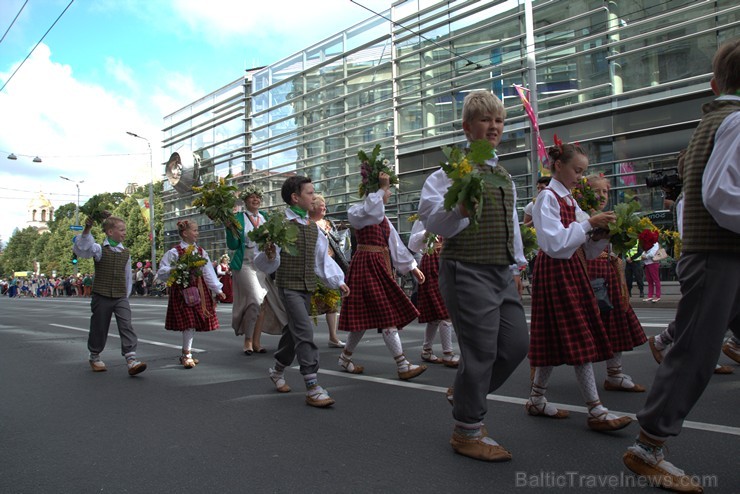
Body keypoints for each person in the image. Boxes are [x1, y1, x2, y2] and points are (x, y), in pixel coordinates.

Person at [622, 38, 740, 493]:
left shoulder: (714, 122)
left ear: (715, 83)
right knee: (694, 353)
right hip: (720, 256)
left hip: (720, 255)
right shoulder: (735, 122)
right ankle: (648, 446)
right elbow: (721, 196)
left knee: (698, 346)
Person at [418, 89, 529, 462]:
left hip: (500, 270)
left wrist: (517, 265)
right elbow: (431, 217)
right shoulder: (449, 172)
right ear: (468, 128)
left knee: (515, 346)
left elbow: (510, 222)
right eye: (486, 119)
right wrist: (461, 209)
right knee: (480, 353)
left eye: (498, 120)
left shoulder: (502, 174)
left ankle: (466, 392)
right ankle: (467, 430)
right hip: (465, 267)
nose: (494, 126)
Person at [528, 138, 632, 432]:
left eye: (582, 171)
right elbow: (554, 243)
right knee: (578, 334)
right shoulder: (547, 198)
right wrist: (588, 225)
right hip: (557, 272)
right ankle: (596, 410)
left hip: (572, 269)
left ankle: (537, 398)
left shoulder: (570, 200)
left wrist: (602, 233)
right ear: (557, 166)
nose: (580, 177)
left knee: (555, 336)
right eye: (576, 170)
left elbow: (582, 247)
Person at [253, 176, 349, 408]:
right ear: (295, 198)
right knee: (305, 332)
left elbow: (321, 261)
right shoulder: (280, 225)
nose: (314, 197)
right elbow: (264, 263)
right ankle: (312, 385)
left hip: (307, 287)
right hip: (288, 286)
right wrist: (269, 254)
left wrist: (337, 281)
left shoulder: (313, 228)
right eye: (310, 193)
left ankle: (277, 370)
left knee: (294, 332)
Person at [337, 171, 427, 382]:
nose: (388, 194)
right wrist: (379, 188)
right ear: (374, 192)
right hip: (366, 265)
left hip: (378, 266)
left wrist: (412, 266)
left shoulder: (383, 218)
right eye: (387, 191)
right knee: (387, 315)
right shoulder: (358, 211)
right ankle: (402, 364)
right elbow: (372, 211)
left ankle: (345, 357)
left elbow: (394, 244)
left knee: (364, 317)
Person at [584, 174, 647, 392]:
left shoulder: (610, 216)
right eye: (596, 191)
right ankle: (540, 381)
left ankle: (615, 374)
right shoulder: (582, 215)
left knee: (616, 321)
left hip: (608, 272)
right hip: (587, 272)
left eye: (605, 192)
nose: (601, 196)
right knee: (583, 325)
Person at [73, 215, 147, 376]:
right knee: (99, 327)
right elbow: (82, 249)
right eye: (121, 230)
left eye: (124, 230)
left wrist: (126, 295)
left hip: (120, 296)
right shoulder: (99, 249)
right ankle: (94, 355)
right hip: (102, 294)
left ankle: (131, 359)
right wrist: (87, 228)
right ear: (110, 232)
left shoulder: (125, 252)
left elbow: (128, 276)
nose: (124, 233)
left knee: (126, 324)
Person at [226, 184, 286, 354]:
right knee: (255, 298)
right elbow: (233, 244)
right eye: (252, 197)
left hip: (263, 264)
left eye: (258, 197)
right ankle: (248, 340)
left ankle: (256, 342)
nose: (256, 199)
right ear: (245, 200)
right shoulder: (238, 218)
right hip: (245, 263)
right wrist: (230, 229)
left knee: (262, 304)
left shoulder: (266, 217)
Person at [157, 220, 225, 368]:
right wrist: (175, 269)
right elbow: (162, 272)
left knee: (193, 323)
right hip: (182, 292)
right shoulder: (174, 252)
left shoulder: (200, 251)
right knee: (189, 323)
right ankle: (187, 354)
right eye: (194, 230)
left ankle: (186, 353)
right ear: (185, 233)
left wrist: (218, 290)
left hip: (199, 290)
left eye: (197, 230)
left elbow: (208, 272)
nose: (197, 233)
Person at [408, 219, 459, 367]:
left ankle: (427, 350)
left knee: (436, 316)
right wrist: (427, 233)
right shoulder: (424, 217)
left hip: (447, 260)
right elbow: (413, 243)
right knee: (445, 311)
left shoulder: (452, 214)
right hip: (433, 262)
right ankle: (448, 353)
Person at [308, 193, 348, 348]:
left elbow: (337, 242)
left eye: (325, 205)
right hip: (313, 268)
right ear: (312, 207)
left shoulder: (328, 223)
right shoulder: (307, 224)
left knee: (332, 303)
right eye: (321, 205)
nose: (324, 208)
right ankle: (307, 339)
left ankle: (333, 336)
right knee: (311, 305)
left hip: (330, 264)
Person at [640, 232, 662, 302]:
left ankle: (658, 296)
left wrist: (645, 256)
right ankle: (650, 295)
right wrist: (644, 255)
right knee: (649, 281)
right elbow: (644, 252)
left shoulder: (655, 244)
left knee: (656, 280)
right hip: (647, 263)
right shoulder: (648, 244)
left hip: (653, 263)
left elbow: (652, 253)